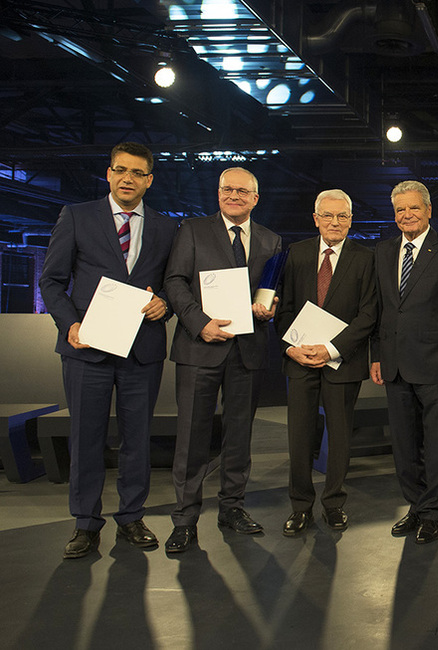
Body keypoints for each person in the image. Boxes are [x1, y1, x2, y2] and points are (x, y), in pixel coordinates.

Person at [39, 142, 177, 559]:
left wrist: (166, 303)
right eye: (121, 170)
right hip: (88, 350)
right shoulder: (78, 217)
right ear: (109, 173)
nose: (128, 179)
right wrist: (71, 324)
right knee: (86, 438)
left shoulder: (167, 228)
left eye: (137, 173)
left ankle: (131, 517)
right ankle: (85, 523)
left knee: (137, 439)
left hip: (141, 351)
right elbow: (51, 281)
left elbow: (175, 281)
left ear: (149, 181)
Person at [162, 167, 283, 553]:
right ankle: (184, 519)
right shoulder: (192, 230)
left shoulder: (270, 239)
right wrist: (200, 323)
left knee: (239, 438)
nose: (234, 195)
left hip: (246, 350)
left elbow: (271, 291)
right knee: (192, 438)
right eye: (227, 189)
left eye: (242, 191)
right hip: (200, 348)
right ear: (218, 194)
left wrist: (270, 308)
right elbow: (174, 281)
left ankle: (232, 507)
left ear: (255, 198)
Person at [370, 180, 438, 544]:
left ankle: (434, 513)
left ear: (429, 210)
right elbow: (379, 311)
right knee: (404, 445)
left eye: (413, 208)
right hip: (395, 366)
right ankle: (415, 506)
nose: (406, 215)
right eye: (400, 210)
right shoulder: (382, 252)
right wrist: (376, 357)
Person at [276, 189, 377, 536]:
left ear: (351, 220)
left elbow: (368, 314)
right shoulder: (297, 254)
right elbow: (284, 308)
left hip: (341, 363)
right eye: (328, 216)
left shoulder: (366, 258)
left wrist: (332, 349)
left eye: (343, 216)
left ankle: (334, 503)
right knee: (299, 437)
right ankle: (300, 506)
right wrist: (292, 349)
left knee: (339, 437)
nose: (335, 222)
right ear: (316, 218)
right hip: (300, 360)